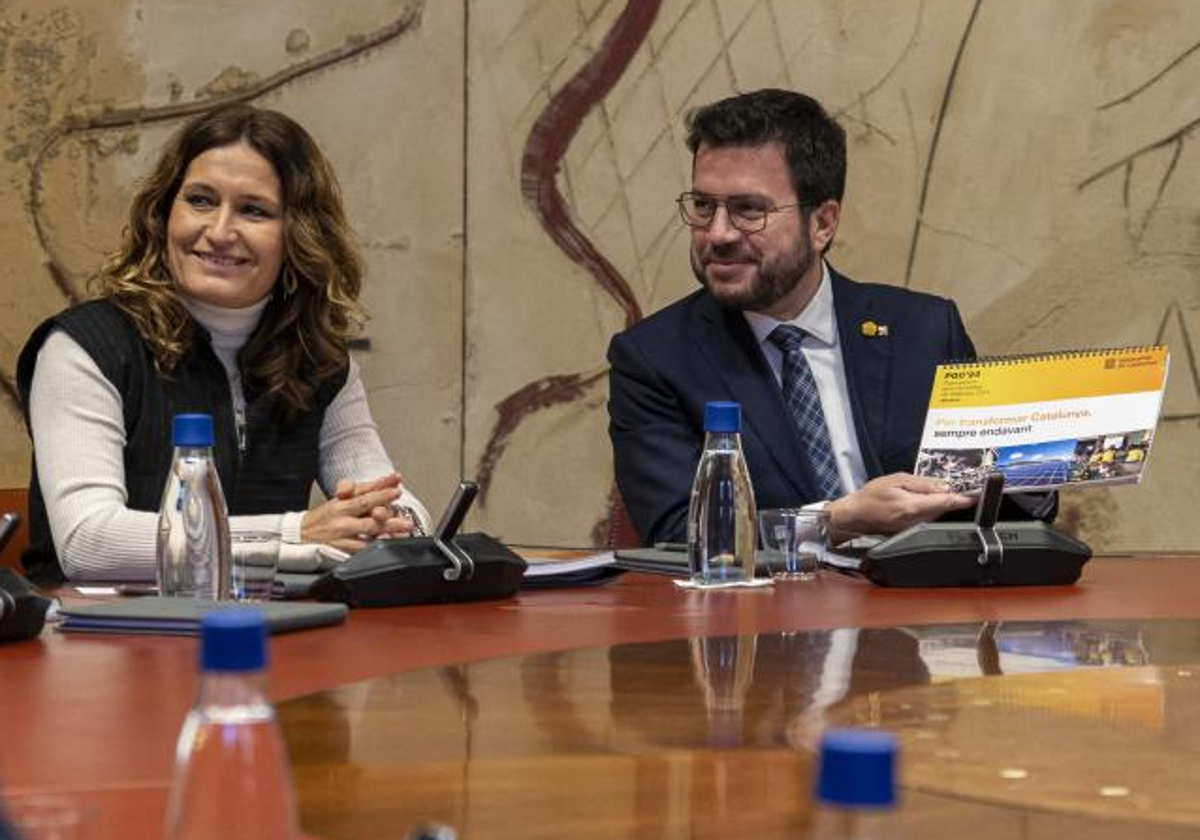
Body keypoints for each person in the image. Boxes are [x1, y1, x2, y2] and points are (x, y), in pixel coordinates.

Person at [607, 89, 1052, 546]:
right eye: (703, 206)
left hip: (920, 607)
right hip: (757, 612)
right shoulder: (654, 359)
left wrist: (1043, 461)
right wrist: (838, 519)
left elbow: (1003, 507)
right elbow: (680, 534)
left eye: (747, 210)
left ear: (822, 223)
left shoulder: (925, 330)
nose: (717, 234)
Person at [16, 103, 430, 584]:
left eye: (253, 210)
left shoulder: (319, 363)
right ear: (163, 212)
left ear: (299, 236)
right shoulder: (86, 348)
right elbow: (88, 542)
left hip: (270, 638)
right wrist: (294, 534)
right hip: (99, 642)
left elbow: (388, 502)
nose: (218, 232)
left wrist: (393, 524)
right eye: (200, 200)